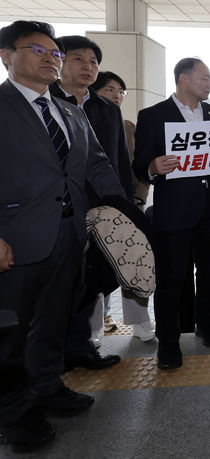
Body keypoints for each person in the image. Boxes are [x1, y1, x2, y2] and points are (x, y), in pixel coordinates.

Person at [0, 20, 126, 452]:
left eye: (54, 53)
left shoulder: (69, 111)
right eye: (37, 50)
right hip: (13, 242)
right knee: (9, 333)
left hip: (69, 237)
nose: (50, 59)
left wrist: (122, 209)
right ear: (7, 56)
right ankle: (14, 414)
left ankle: (47, 387)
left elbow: (97, 164)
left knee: (53, 321)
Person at [132, 57, 210, 370]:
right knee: (171, 279)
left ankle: (208, 327)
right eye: (205, 78)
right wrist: (153, 166)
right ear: (184, 79)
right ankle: (169, 344)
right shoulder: (153, 116)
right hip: (173, 213)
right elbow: (139, 164)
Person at [49, 35, 133, 369]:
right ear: (60, 62)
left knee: (91, 280)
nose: (88, 67)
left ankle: (79, 347)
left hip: (101, 209)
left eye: (94, 62)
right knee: (57, 283)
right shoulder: (45, 102)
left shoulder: (107, 108)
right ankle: (51, 356)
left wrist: (126, 204)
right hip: (58, 210)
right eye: (78, 59)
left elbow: (118, 160)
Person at [91, 70, 156, 342]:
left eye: (120, 92)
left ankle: (139, 321)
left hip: (127, 204)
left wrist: (137, 199)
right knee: (93, 268)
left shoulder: (128, 126)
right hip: (92, 206)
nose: (116, 96)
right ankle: (94, 326)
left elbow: (139, 167)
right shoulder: (79, 117)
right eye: (109, 90)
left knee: (134, 260)